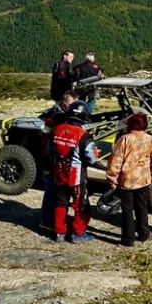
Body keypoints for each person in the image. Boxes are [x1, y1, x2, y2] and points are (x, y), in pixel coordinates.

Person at [106, 112, 152, 247]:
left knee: (127, 210)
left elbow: (115, 161)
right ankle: (144, 234)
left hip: (127, 180)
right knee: (142, 208)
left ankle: (128, 238)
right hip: (144, 179)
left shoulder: (125, 139)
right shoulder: (150, 139)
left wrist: (112, 180)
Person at [49, 101, 100, 243]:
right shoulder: (83, 135)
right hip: (76, 178)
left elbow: (49, 151)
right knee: (81, 205)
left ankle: (59, 233)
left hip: (59, 174)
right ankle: (78, 234)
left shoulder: (56, 130)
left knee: (60, 204)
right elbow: (92, 158)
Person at [40, 89, 80, 233]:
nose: (73, 107)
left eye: (75, 104)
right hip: (52, 160)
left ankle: (55, 220)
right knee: (52, 191)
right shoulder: (55, 118)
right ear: (64, 103)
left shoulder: (63, 117)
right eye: (71, 104)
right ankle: (48, 221)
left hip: (59, 160)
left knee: (58, 192)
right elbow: (46, 140)